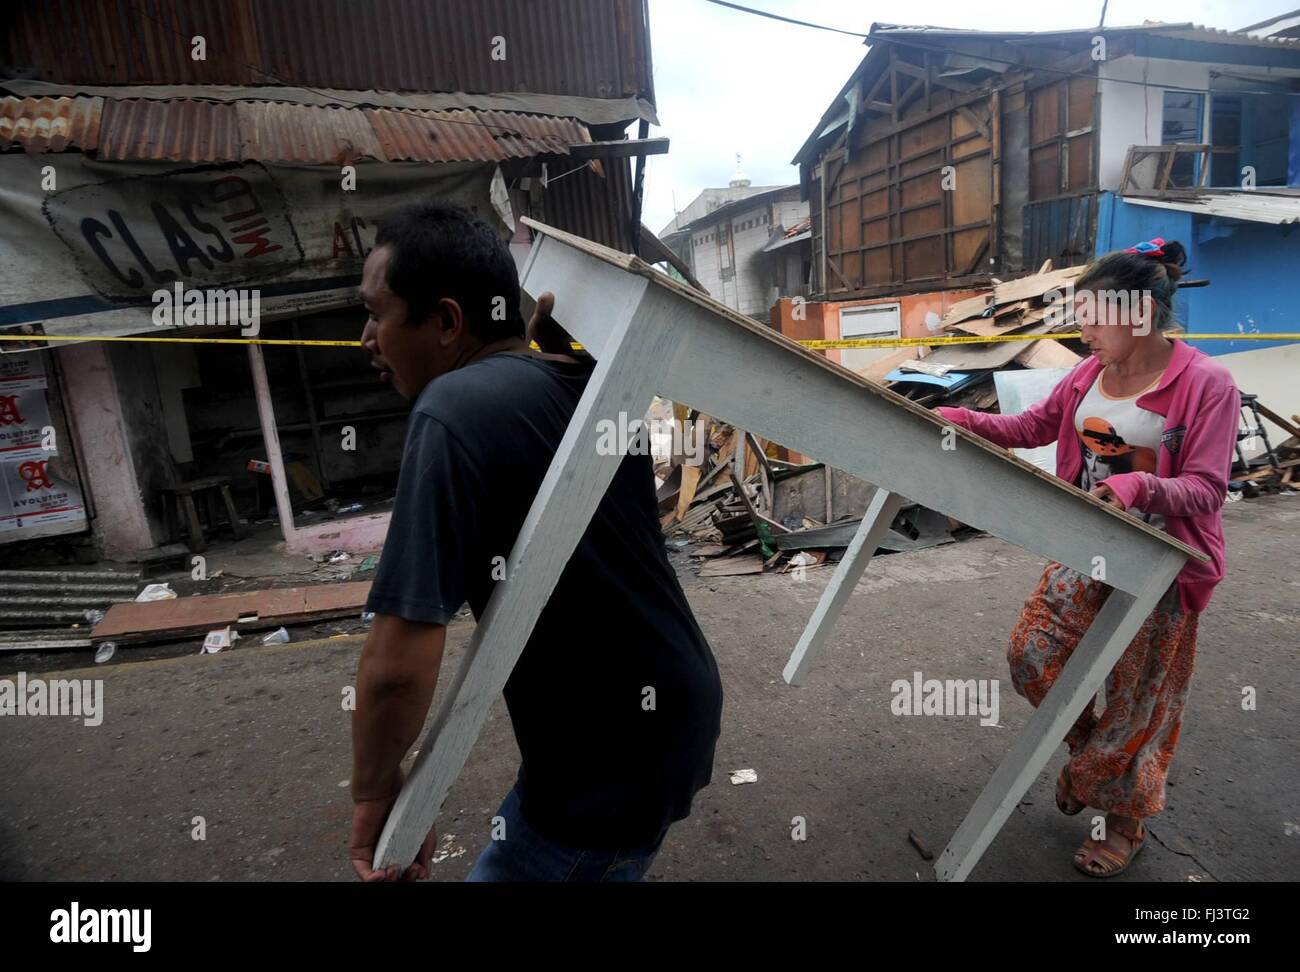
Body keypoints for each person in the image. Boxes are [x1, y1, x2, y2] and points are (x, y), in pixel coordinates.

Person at [348, 202, 723, 882]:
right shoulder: (589, 386)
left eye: (377, 314)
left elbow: (398, 666)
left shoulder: (450, 412)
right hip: (664, 715)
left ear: (446, 323)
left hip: (607, 761)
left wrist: (378, 793)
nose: (365, 337)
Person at [935, 238, 1239, 877]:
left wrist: (1134, 485)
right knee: (1033, 655)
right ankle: (1090, 765)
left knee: (1139, 700)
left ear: (1140, 314)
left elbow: (1209, 488)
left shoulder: (1207, 383)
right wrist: (957, 418)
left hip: (1166, 563)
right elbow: (1032, 429)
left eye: (1094, 315)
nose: (1082, 329)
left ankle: (1123, 820)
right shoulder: (1085, 376)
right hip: (1087, 549)